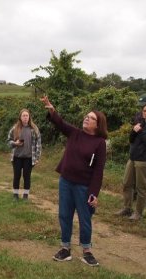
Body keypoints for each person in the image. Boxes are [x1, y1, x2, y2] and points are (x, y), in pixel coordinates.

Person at [41, 96, 108, 267]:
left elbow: (98, 171)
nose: (87, 118)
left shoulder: (99, 143)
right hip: (66, 182)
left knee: (85, 218)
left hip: (83, 186)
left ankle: (87, 251)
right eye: (87, 116)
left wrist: (93, 193)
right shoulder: (75, 133)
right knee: (64, 215)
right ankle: (65, 249)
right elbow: (60, 123)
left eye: (91, 118)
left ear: (98, 124)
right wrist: (51, 108)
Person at [115, 103, 146, 221]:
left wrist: (142, 130)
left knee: (141, 188)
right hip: (133, 158)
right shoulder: (140, 122)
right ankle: (127, 208)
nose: (145, 113)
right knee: (127, 183)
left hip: (145, 160)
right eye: (144, 111)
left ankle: (138, 213)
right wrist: (134, 130)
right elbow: (131, 139)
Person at [6, 108, 42, 200]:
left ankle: (25, 196)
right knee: (17, 176)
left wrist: (37, 157)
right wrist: (15, 143)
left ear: (29, 117)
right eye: (23, 116)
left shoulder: (34, 128)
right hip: (17, 157)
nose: (25, 117)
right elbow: (8, 141)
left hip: (29, 157)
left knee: (27, 177)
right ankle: (15, 195)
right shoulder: (15, 128)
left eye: (27, 115)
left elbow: (38, 143)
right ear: (20, 117)